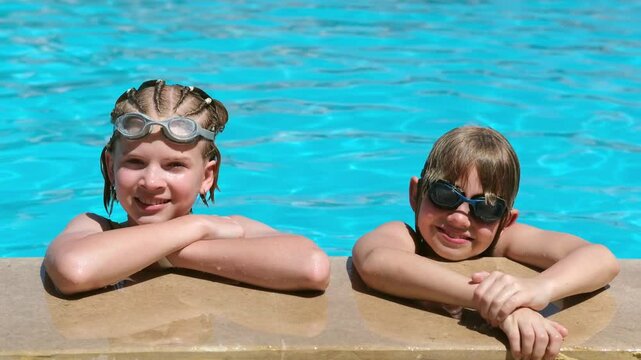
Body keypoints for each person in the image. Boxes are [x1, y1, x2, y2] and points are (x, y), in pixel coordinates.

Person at [352, 126, 619, 360]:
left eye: (486, 208)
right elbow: (376, 262)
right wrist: (497, 303)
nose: (459, 218)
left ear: (505, 221)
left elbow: (601, 258)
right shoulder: (403, 236)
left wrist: (539, 288)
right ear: (415, 193)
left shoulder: (504, 241)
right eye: (445, 194)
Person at [45, 79, 330, 295]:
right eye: (135, 162)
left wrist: (171, 251)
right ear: (110, 167)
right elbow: (74, 271)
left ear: (207, 176)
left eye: (175, 166)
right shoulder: (93, 228)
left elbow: (311, 267)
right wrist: (196, 229)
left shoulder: (231, 227)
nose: (152, 182)